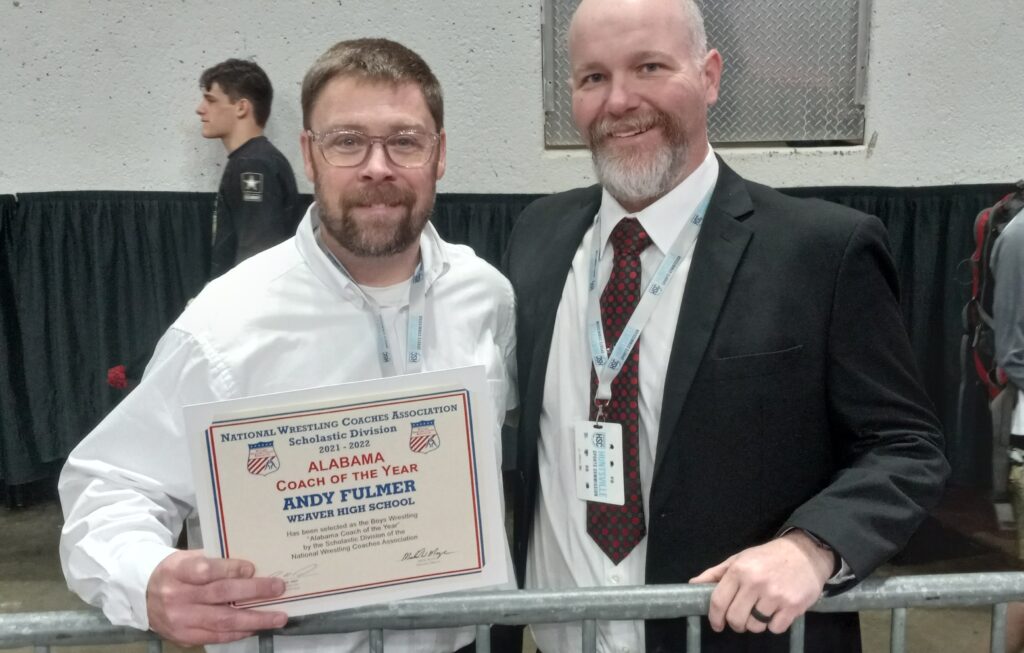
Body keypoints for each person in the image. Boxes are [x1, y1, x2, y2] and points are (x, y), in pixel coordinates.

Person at [503, 0, 949, 651]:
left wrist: (814, 545)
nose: (619, 99)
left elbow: (908, 447)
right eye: (592, 77)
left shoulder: (821, 251)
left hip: (732, 637)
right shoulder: (537, 237)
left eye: (649, 66)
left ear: (710, 76)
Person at [60, 38, 516, 653]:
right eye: (347, 141)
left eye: (405, 141)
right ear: (309, 155)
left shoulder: (487, 296)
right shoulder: (224, 322)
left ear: (438, 155)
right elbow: (110, 485)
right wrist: (146, 577)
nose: (377, 166)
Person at [196, 58, 301, 279]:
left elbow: (258, 252)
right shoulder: (252, 160)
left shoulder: (253, 165)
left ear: (241, 107)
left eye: (210, 100)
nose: (200, 110)